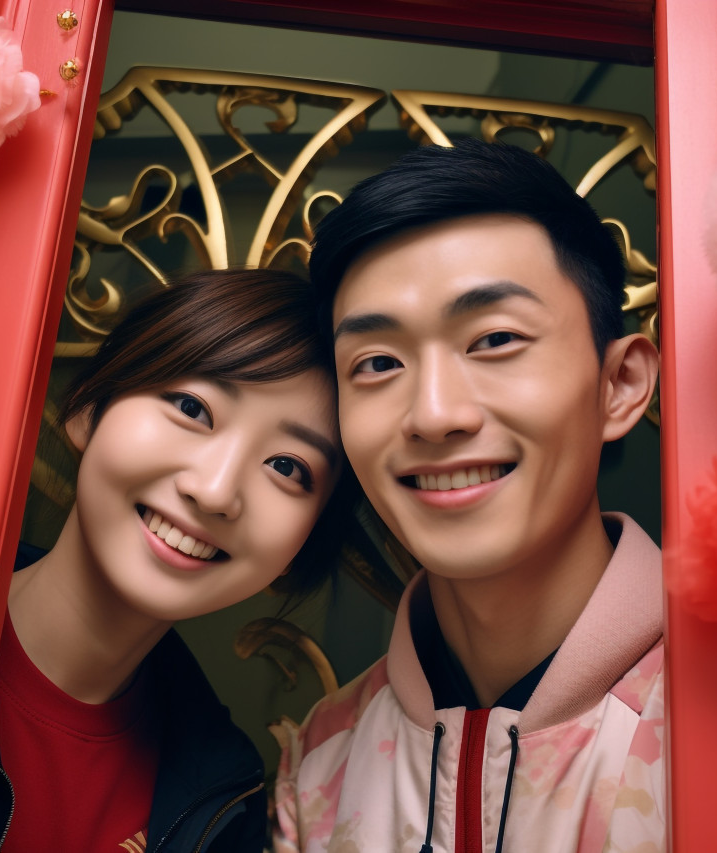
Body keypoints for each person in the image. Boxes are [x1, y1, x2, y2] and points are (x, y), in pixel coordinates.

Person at [273, 139, 663, 852]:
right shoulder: (320, 765)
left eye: (494, 339)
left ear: (620, 384)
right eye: (378, 362)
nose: (433, 414)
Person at [0, 269, 354, 853]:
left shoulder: (229, 805)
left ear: (298, 550)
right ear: (90, 408)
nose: (215, 491)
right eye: (193, 408)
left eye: (287, 467)